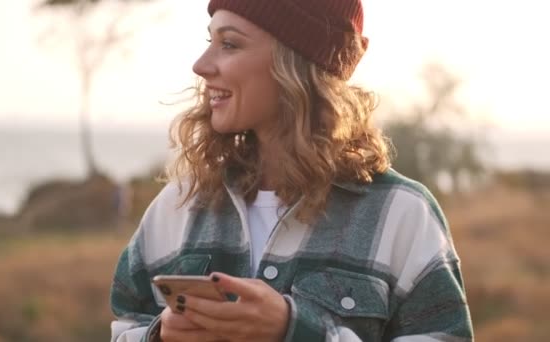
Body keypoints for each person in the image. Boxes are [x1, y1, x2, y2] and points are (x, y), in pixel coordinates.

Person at [110, 0, 474, 341]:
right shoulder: (177, 206)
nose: (201, 65)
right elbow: (125, 326)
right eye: (210, 40)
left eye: (230, 44)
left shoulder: (401, 214)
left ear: (294, 64)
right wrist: (159, 336)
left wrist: (295, 330)